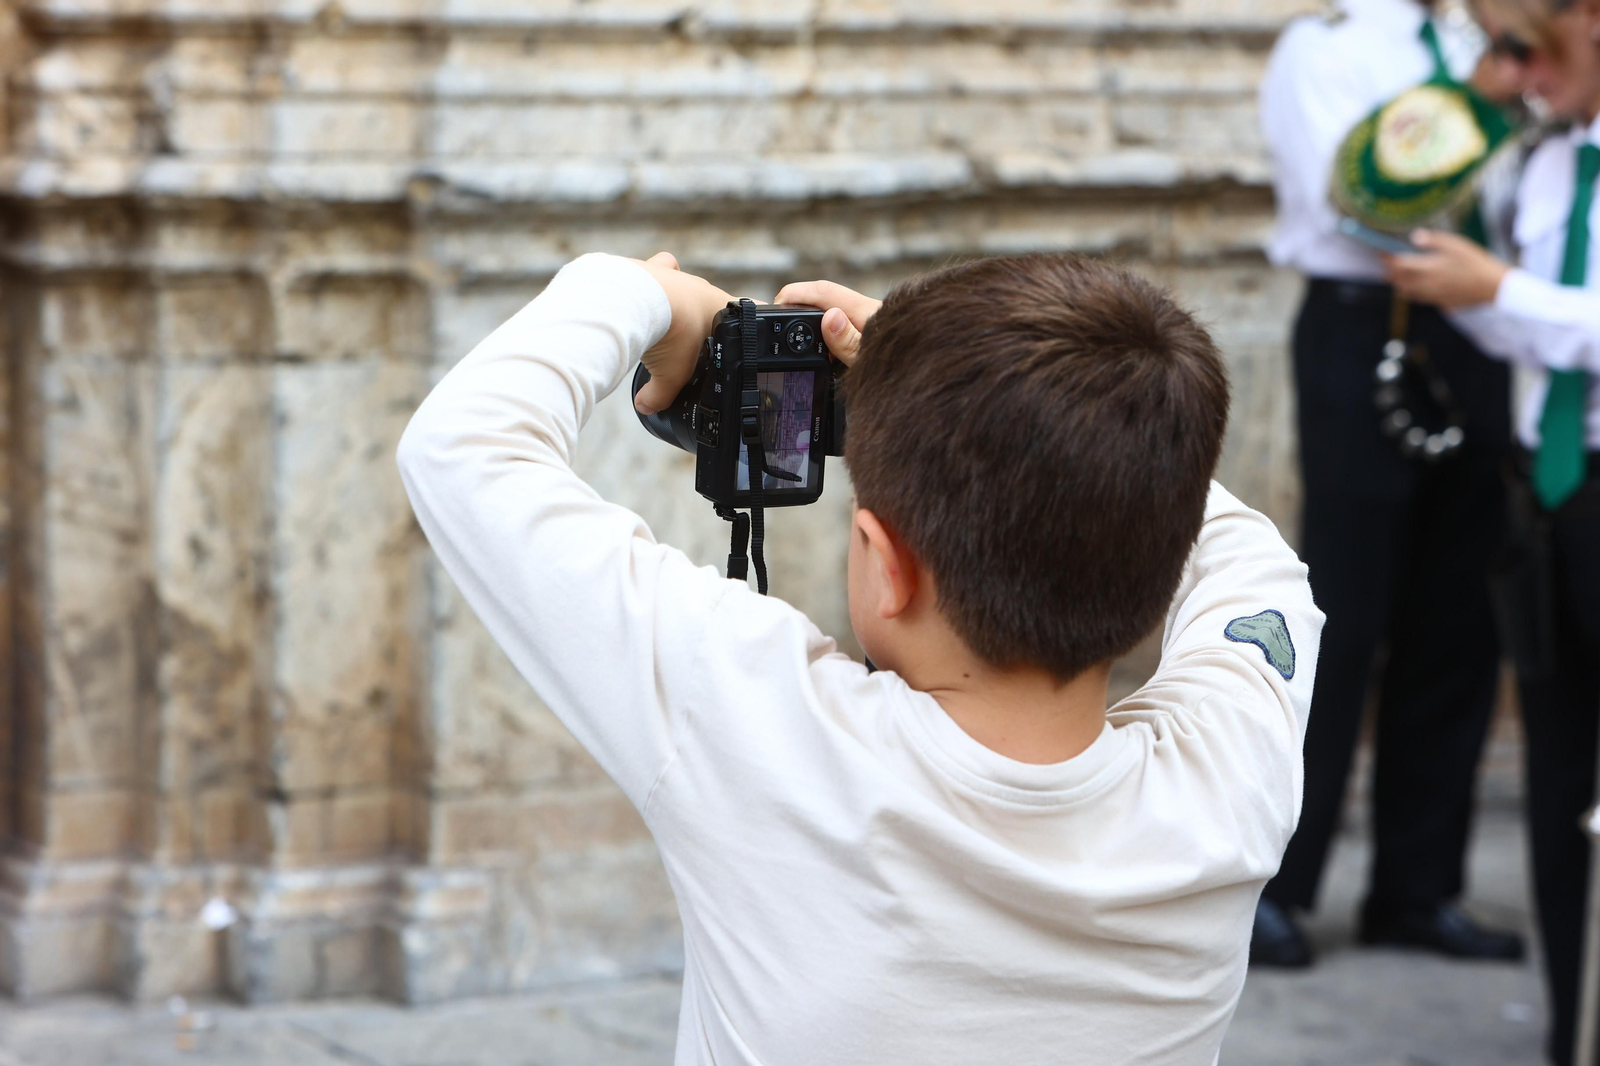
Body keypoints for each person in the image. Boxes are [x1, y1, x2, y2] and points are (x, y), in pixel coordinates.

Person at [396, 249, 1323, 1063]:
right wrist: (1001, 404)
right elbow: (1250, 557)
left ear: (886, 569)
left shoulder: (764, 738)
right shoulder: (1233, 778)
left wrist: (641, 291)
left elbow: (459, 448)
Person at [1252, 0, 1527, 968]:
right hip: (1363, 321)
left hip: (1481, 329)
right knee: (1343, 612)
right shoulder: (1325, 46)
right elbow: (1366, 200)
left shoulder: (1478, 37)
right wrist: (1487, 95)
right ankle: (1276, 886)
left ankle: (1416, 887)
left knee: (1459, 618)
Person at [1387, 3, 1600, 1060]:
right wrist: (1450, 280)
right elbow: (1521, 314)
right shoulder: (1547, 166)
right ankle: (1573, 1025)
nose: (1506, 73)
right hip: (1549, 501)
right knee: (1563, 789)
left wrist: (1500, 288)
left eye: (1522, 44)